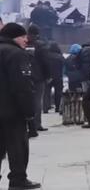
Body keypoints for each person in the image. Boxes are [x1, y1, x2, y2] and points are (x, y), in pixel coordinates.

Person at [0, 23, 41, 190]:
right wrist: (29, 111)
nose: (26, 39)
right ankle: (18, 180)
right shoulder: (16, 54)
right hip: (12, 110)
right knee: (17, 147)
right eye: (23, 36)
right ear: (14, 37)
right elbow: (22, 86)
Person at [25, 25, 49, 137]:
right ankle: (37, 124)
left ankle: (27, 124)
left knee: (26, 100)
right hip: (39, 77)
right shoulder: (41, 45)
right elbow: (45, 62)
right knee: (37, 101)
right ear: (37, 34)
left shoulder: (23, 44)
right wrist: (48, 75)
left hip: (26, 76)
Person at [43, 41, 64, 115]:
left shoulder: (46, 56)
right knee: (58, 93)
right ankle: (57, 107)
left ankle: (45, 108)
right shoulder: (60, 56)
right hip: (58, 77)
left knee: (46, 92)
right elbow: (63, 67)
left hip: (48, 76)